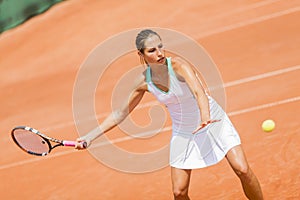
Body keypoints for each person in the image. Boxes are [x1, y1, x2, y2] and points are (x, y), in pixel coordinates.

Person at [76, 29, 264, 200]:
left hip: (212, 120)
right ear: (140, 54)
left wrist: (205, 116)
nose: (159, 53)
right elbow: (120, 113)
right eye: (151, 50)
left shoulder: (178, 66)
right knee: (179, 192)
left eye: (160, 47)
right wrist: (89, 137)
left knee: (243, 169)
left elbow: (199, 92)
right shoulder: (143, 81)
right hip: (184, 131)